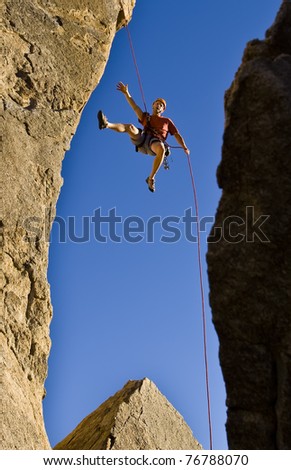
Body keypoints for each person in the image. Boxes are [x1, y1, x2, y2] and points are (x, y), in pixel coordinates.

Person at [98, 82, 190, 192]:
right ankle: (106, 124)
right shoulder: (146, 117)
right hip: (143, 139)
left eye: (161, 105)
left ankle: (151, 178)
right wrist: (127, 93)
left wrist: (184, 147)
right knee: (130, 127)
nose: (159, 105)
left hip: (154, 143)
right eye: (157, 103)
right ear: (153, 105)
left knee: (161, 148)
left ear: (163, 110)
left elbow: (176, 134)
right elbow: (135, 107)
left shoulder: (167, 121)